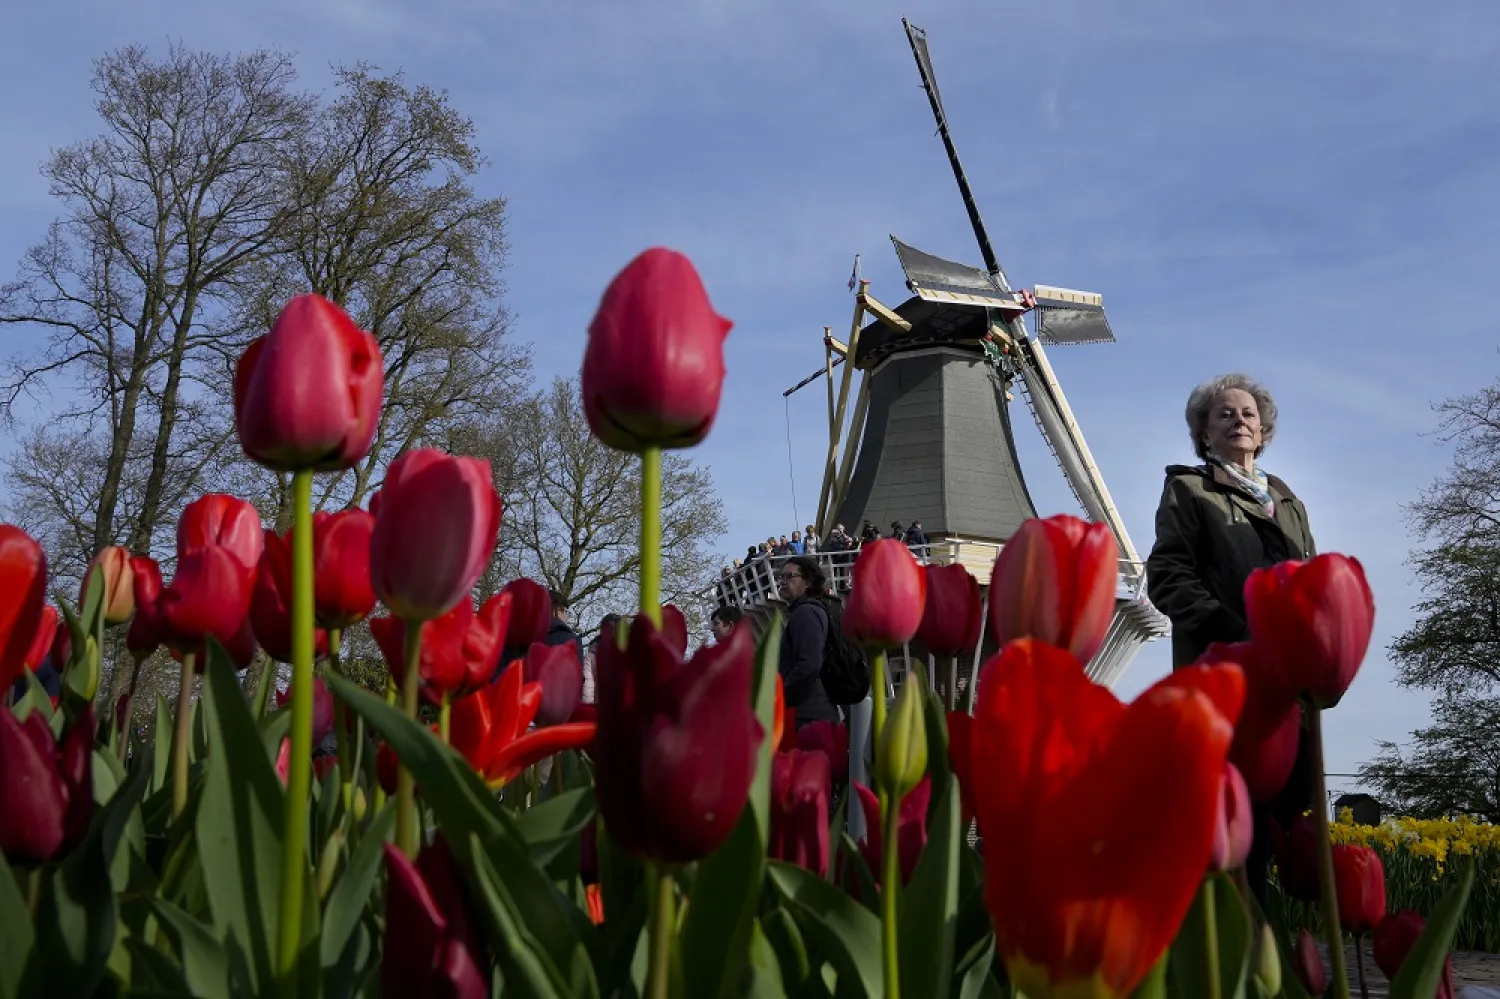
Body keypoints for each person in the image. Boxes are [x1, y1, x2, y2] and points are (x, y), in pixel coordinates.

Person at [1144, 373, 1317, 910]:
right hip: (1226, 672)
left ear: (1262, 431)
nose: (1238, 421)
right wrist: (1230, 631)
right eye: (1223, 414)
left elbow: (1309, 582)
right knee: (1235, 819)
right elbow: (1169, 574)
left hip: (1286, 682)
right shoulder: (1190, 490)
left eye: (1247, 414)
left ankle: (1273, 962)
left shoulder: (1287, 502)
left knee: (1282, 812)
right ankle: (1235, 959)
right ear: (1204, 435)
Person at [774, 555, 840, 727]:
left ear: (808, 583)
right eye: (781, 577)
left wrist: (781, 697)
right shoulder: (812, 611)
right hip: (814, 708)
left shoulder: (806, 613)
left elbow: (809, 663)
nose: (782, 581)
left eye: (789, 576)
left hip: (808, 713)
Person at [543, 589, 587, 665]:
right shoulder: (570, 640)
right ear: (558, 611)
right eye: (567, 612)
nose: (567, 617)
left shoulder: (524, 640)